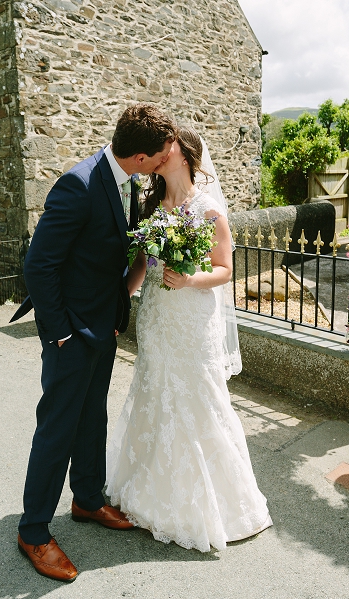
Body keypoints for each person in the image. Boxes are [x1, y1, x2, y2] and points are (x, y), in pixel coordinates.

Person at [10, 104, 177, 582]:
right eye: (161, 153)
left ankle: (86, 500)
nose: (165, 159)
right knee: (56, 430)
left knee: (92, 419)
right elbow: (38, 265)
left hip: (104, 328)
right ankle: (34, 532)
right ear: (141, 156)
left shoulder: (124, 180)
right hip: (71, 335)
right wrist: (61, 332)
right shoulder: (78, 184)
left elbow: (105, 259)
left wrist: (117, 313)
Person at [105, 127, 272, 553]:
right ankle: (149, 491)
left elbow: (225, 270)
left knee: (199, 398)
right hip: (158, 317)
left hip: (193, 318)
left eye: (170, 146)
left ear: (185, 154)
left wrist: (192, 278)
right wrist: (121, 297)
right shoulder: (151, 205)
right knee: (154, 392)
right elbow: (143, 262)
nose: (162, 153)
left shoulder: (209, 208)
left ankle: (214, 504)